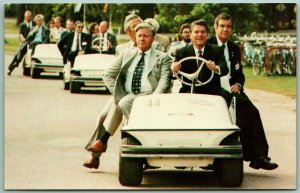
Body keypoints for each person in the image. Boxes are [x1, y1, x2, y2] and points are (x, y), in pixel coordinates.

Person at [172, 19, 278, 170]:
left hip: (215, 91)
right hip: (190, 91)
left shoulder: (218, 49)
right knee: (176, 112)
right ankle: (179, 155)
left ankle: (257, 156)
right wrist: (174, 69)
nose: (200, 35)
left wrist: (217, 69)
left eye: (202, 32)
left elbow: (227, 68)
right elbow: (174, 71)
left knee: (248, 111)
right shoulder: (183, 51)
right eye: (196, 32)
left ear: (207, 33)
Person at [83, 22, 172, 169]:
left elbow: (164, 80)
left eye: (146, 36)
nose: (142, 39)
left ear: (153, 38)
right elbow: (108, 74)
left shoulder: (161, 56)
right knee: (120, 103)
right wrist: (118, 92)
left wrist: (155, 97)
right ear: (134, 36)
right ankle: (138, 139)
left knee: (119, 105)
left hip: (150, 95)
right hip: (129, 94)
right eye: (139, 36)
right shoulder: (126, 52)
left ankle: (103, 142)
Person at [7, 10, 35, 75]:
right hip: (24, 42)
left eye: (29, 16)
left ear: (31, 17)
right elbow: (20, 34)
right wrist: (22, 38)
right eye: (27, 16)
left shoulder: (34, 23)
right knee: (19, 55)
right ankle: (11, 68)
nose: (28, 18)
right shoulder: (22, 25)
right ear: (25, 17)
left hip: (31, 42)